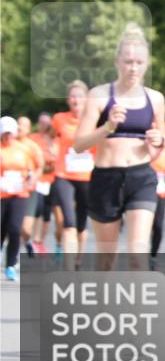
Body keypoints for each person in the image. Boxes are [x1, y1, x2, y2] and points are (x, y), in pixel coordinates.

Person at [73, 23, 165, 271]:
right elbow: (79, 144)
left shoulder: (155, 98)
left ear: (146, 64)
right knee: (107, 259)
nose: (133, 67)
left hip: (141, 177)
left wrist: (155, 143)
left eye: (138, 62)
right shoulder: (99, 95)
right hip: (106, 177)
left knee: (137, 252)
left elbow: (159, 147)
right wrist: (108, 127)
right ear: (117, 62)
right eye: (128, 61)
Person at [51, 81, 96, 270]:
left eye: (79, 96)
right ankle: (68, 269)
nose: (76, 99)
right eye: (72, 96)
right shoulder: (59, 119)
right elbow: (53, 137)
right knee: (68, 223)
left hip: (88, 177)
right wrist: (52, 150)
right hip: (64, 174)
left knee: (81, 225)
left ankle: (77, 261)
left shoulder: (95, 120)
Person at [1, 116, 38, 281]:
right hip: (2, 195)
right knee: (1, 228)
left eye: (10, 133)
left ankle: (10, 265)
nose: (8, 136)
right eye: (5, 133)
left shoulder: (24, 149)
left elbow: (33, 168)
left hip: (19, 194)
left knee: (15, 229)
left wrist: (31, 178)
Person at [25, 113, 57, 257]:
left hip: (52, 180)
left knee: (47, 214)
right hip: (38, 180)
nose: (44, 125)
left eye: (46, 123)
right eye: (41, 122)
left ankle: (40, 240)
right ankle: (33, 240)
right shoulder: (33, 138)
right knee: (37, 211)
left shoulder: (56, 139)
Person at [16, 116, 45, 258]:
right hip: (11, 191)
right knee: (12, 225)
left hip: (29, 191)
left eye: (23, 125)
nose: (19, 127)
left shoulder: (32, 146)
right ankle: (13, 255)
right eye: (18, 124)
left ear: (28, 129)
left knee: (25, 228)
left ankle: (27, 242)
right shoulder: (8, 144)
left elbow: (41, 166)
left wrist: (33, 178)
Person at [148, 144, 165, 270]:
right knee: (143, 226)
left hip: (160, 190)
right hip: (141, 188)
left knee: (158, 226)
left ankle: (153, 255)